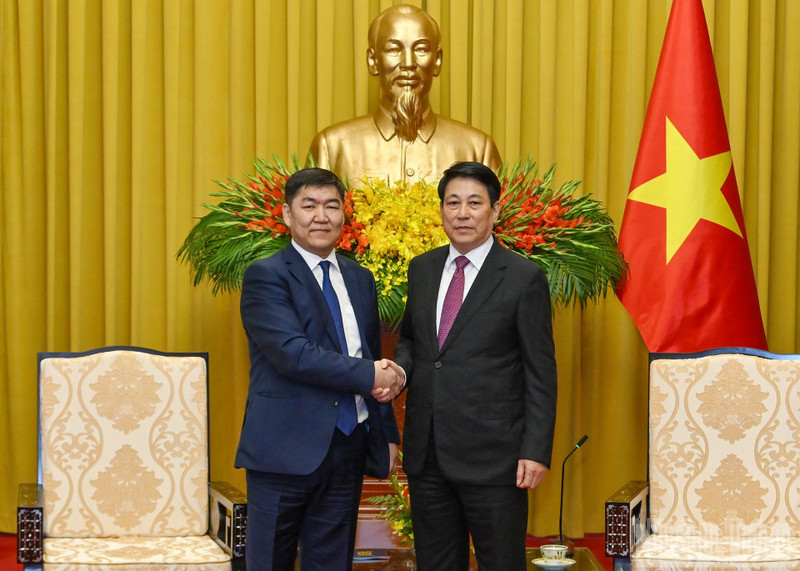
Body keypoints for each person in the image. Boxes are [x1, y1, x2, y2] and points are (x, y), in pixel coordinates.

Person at [235, 167, 404, 571]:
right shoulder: (267, 276)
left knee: (332, 563)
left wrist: (386, 430)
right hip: (283, 449)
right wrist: (372, 376)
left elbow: (366, 352)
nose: (321, 216)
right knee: (269, 562)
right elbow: (293, 353)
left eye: (331, 206)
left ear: (344, 216)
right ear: (287, 215)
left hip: (348, 444)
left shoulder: (360, 278)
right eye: (308, 205)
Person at [393, 161, 558, 570]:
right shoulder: (422, 268)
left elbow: (540, 371)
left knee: (500, 562)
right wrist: (397, 370)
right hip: (427, 453)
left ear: (495, 211)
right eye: (453, 203)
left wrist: (535, 451)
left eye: (474, 203)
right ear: (442, 210)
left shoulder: (523, 277)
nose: (462, 213)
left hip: (495, 458)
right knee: (435, 562)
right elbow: (414, 342)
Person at [308, 5, 501, 185]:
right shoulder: (331, 148)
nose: (408, 63)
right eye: (393, 49)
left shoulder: (477, 150)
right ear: (373, 61)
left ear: (437, 61)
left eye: (421, 49)